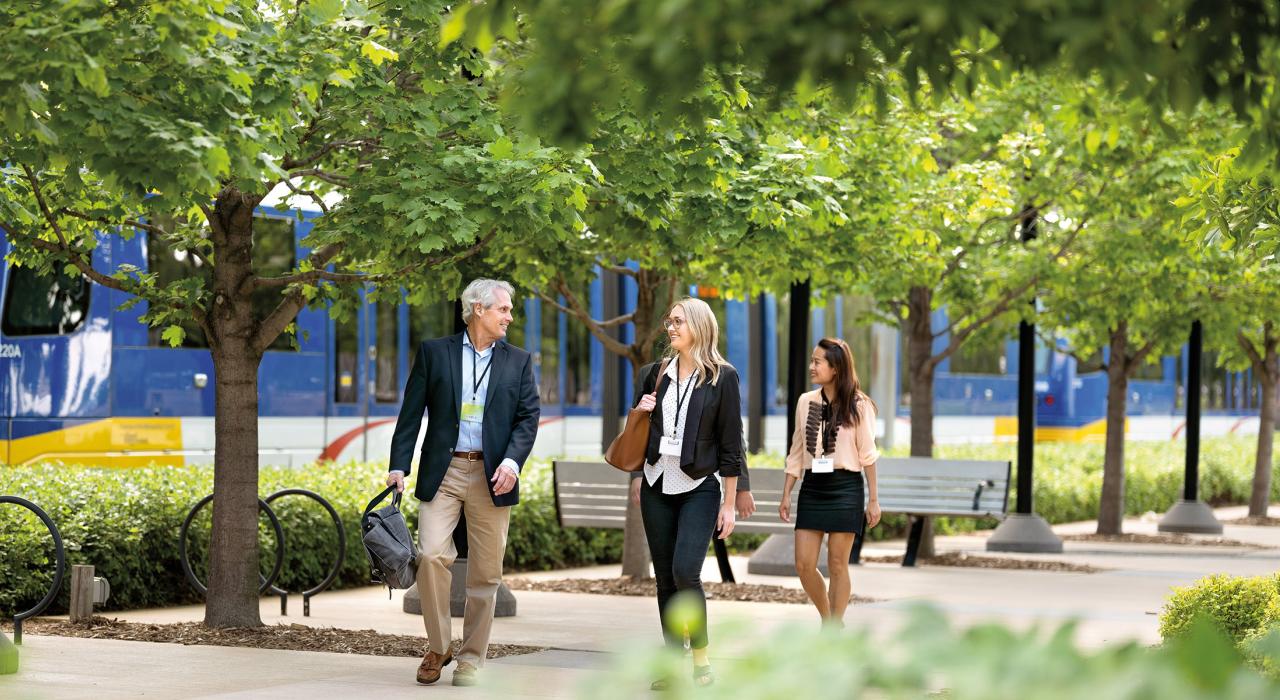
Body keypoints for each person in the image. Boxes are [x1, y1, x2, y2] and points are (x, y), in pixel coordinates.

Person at [385, 278, 540, 687]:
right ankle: (439, 645)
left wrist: (512, 462)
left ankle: (472, 658)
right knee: (432, 556)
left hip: (494, 475)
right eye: (503, 309)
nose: (510, 316)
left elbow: (528, 418)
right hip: (445, 470)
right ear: (478, 310)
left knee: (486, 574)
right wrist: (399, 465)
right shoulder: (435, 353)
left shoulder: (519, 361)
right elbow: (411, 412)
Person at [631, 297, 743, 689]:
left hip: (698, 486)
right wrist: (643, 412)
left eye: (678, 321)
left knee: (685, 572)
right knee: (664, 579)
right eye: (669, 321)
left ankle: (701, 660)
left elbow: (732, 443)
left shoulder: (722, 377)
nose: (671, 327)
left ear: (699, 325)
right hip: (656, 482)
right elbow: (639, 434)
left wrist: (729, 503)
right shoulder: (653, 373)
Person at [779, 337, 881, 626]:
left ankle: (834, 631)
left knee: (837, 564)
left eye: (817, 361)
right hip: (813, 487)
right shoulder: (805, 402)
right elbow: (797, 451)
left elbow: (868, 455)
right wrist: (786, 493)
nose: (812, 366)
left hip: (846, 488)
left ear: (835, 368)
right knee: (804, 564)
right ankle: (828, 619)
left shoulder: (860, 406)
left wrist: (873, 500)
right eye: (812, 360)